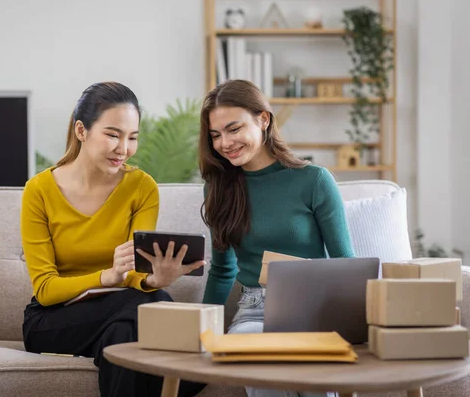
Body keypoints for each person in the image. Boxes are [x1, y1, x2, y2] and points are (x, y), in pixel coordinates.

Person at [21, 82, 206, 397]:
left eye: (132, 137)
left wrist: (153, 279)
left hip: (123, 311)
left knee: (121, 333)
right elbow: (46, 289)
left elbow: (136, 271)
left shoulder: (141, 188)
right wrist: (108, 277)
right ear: (82, 130)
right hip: (54, 318)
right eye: (112, 134)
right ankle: (192, 367)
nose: (124, 148)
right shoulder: (39, 190)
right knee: (156, 307)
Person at [199, 79, 355, 397]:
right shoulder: (219, 188)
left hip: (314, 307)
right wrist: (197, 331)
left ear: (263, 119)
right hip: (255, 309)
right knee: (258, 359)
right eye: (216, 135)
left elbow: (344, 262)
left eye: (233, 129)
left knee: (313, 374)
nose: (224, 143)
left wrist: (352, 324)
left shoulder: (313, 180)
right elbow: (223, 270)